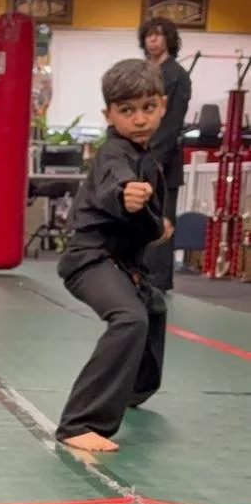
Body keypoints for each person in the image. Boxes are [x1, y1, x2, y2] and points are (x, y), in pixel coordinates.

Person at [56, 59, 173, 453]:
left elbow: (149, 222)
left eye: (148, 108)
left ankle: (135, 389)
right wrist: (126, 194)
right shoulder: (115, 154)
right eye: (127, 111)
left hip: (123, 264)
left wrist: (158, 226)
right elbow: (114, 182)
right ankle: (80, 422)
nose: (139, 119)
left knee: (152, 309)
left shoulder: (148, 155)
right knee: (129, 319)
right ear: (109, 114)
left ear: (163, 106)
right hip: (89, 260)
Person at [138, 16, 192, 291]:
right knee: (140, 218)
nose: (153, 40)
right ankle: (140, 272)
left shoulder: (179, 76)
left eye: (158, 35)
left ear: (169, 39)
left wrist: (154, 157)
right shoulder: (141, 73)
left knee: (162, 219)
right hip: (138, 154)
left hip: (164, 159)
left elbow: (173, 122)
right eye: (149, 35)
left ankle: (160, 278)